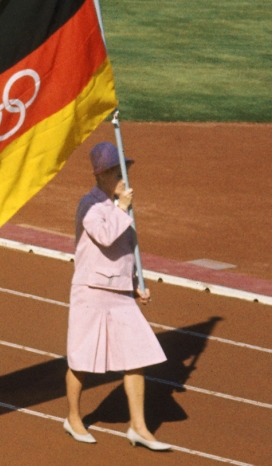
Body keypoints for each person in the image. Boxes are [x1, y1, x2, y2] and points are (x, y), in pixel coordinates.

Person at [64, 142, 170, 450]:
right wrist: (121, 208)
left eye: (125, 169)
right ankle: (73, 418)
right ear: (104, 174)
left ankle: (139, 427)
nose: (125, 176)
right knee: (82, 359)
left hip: (119, 294)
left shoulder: (117, 205)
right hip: (92, 291)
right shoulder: (90, 205)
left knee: (136, 357)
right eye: (119, 170)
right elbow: (106, 236)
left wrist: (135, 283)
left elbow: (127, 252)